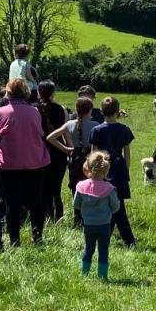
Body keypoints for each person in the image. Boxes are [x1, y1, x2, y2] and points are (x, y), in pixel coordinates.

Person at [0, 77, 49, 246]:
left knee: (12, 203)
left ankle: (14, 240)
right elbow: (40, 133)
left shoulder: (2, 112)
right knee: (35, 201)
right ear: (26, 92)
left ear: (8, 92)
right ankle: (37, 237)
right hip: (35, 161)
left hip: (10, 163)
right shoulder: (35, 111)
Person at [89, 96, 137, 247]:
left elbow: (93, 154)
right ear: (117, 112)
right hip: (119, 169)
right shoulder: (124, 130)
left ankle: (114, 238)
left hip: (102, 170)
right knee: (117, 205)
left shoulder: (96, 130)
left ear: (101, 111)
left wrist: (93, 172)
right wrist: (126, 169)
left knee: (110, 204)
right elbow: (127, 153)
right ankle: (127, 239)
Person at [46, 96, 97, 227]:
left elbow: (50, 138)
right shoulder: (95, 126)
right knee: (90, 187)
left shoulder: (70, 124)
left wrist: (65, 149)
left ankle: (77, 218)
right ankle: (89, 217)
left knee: (76, 188)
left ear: (76, 109)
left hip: (74, 159)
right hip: (89, 161)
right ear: (90, 110)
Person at [73, 151, 121, 281]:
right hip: (104, 225)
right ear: (106, 170)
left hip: (88, 224)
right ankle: (102, 276)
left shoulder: (81, 187)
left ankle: (84, 273)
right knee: (103, 250)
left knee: (88, 249)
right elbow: (115, 207)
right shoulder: (109, 188)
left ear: (88, 167)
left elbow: (76, 205)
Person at [37, 80, 67, 222]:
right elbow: (65, 131)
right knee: (56, 188)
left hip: (40, 151)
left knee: (42, 187)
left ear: (38, 92)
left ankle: (45, 215)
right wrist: (68, 148)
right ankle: (58, 216)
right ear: (53, 92)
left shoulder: (33, 109)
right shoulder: (61, 109)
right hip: (58, 150)